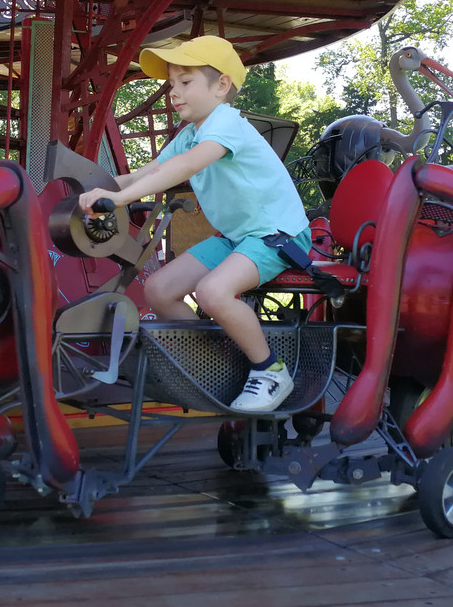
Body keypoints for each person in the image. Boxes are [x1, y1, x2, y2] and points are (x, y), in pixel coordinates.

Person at [77, 36, 311, 413]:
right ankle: (214, 360)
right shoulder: (189, 134)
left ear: (221, 85)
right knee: (159, 289)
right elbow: (144, 173)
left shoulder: (227, 124)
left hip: (276, 235)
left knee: (212, 292)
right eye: (172, 83)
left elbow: (183, 167)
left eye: (185, 82)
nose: (174, 92)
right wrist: (91, 192)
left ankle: (270, 370)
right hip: (236, 238)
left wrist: (118, 200)